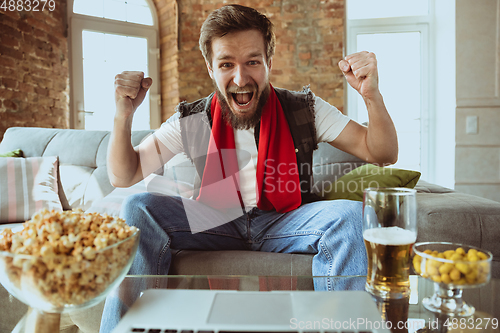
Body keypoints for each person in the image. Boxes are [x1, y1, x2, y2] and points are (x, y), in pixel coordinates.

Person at [100, 4, 397, 332]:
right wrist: (122, 115)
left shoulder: (304, 109)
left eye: (252, 62)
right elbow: (125, 175)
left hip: (286, 220)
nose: (240, 78)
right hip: (215, 220)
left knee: (352, 217)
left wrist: (371, 94)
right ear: (210, 68)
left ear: (269, 62)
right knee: (138, 207)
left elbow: (381, 152)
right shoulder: (192, 119)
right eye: (226, 64)